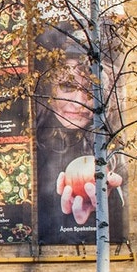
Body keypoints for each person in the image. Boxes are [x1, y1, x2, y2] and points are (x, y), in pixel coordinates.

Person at [34, 23, 126, 244]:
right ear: (47, 87)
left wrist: (109, 206)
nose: (78, 103)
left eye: (91, 91)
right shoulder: (28, 144)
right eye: (66, 86)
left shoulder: (117, 151)